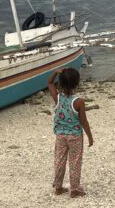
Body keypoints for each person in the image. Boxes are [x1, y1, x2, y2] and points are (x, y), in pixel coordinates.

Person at [47, 67, 93, 198]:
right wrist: (90, 137)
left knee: (59, 161)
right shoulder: (79, 101)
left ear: (60, 83)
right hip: (75, 136)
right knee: (75, 162)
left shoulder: (58, 98)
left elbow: (49, 83)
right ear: (77, 83)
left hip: (60, 135)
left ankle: (58, 187)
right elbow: (84, 121)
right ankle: (75, 189)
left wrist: (55, 72)